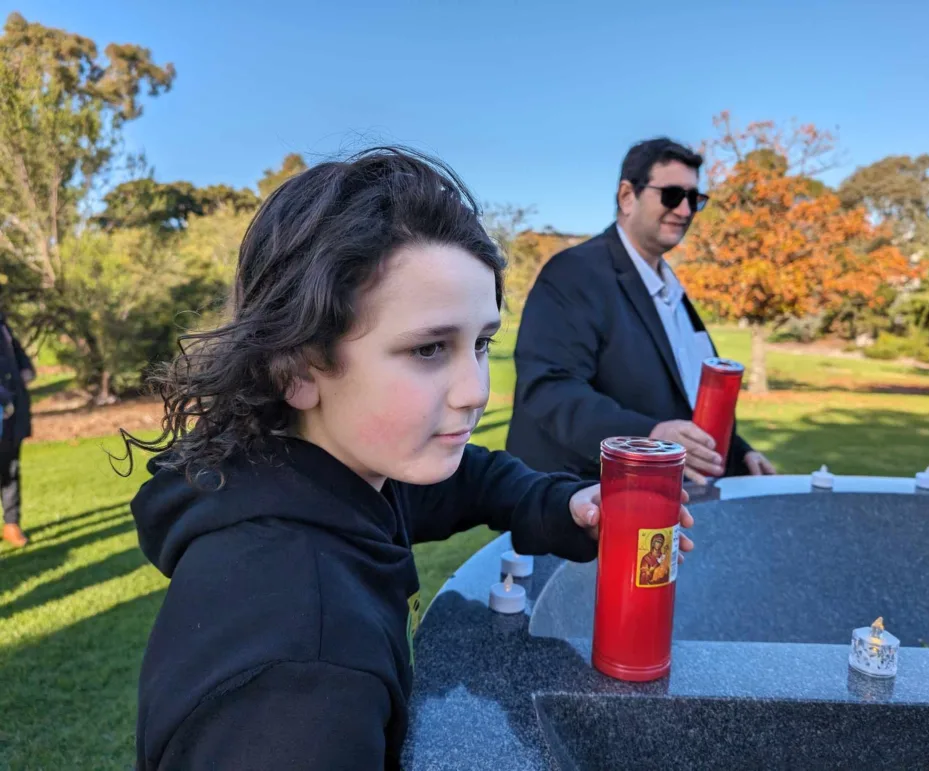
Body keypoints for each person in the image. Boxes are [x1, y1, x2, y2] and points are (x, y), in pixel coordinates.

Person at [122, 148, 695, 771]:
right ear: (297, 367)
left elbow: (470, 480)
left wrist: (564, 505)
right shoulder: (302, 679)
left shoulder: (314, 472)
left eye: (480, 343)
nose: (476, 389)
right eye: (428, 349)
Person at [506, 137, 776, 485]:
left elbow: (684, 396)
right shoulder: (574, 272)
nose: (685, 210)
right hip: (580, 505)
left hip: (660, 509)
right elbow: (549, 389)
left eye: (694, 198)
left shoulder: (671, 290)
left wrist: (740, 454)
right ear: (627, 197)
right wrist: (649, 436)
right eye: (672, 195)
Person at [0, 307, 35, 548]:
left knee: (11, 467)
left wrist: (26, 370)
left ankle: (11, 523)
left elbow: (21, 358)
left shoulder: (3, 324)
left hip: (12, 414)